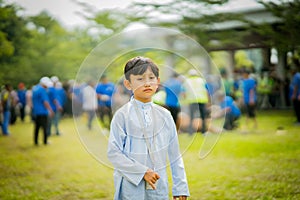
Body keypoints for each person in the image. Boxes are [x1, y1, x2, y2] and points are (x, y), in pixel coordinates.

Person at [107, 56, 190, 200]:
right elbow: (114, 153)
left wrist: (180, 187)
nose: (147, 83)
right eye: (140, 79)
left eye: (151, 78)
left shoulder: (165, 115)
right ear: (128, 84)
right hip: (130, 186)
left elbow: (174, 153)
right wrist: (142, 172)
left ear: (158, 82)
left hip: (158, 184)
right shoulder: (122, 116)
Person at [183, 69, 210, 135]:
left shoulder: (186, 81)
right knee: (203, 117)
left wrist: (186, 99)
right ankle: (204, 132)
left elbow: (183, 93)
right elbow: (207, 91)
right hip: (202, 100)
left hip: (192, 101)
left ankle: (190, 132)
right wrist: (209, 101)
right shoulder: (202, 81)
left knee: (191, 117)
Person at [32, 77, 54, 145]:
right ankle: (45, 141)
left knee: (37, 127)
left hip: (36, 111)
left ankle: (35, 141)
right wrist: (50, 110)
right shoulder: (42, 90)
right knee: (45, 127)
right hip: (42, 111)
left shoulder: (35, 89)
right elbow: (45, 102)